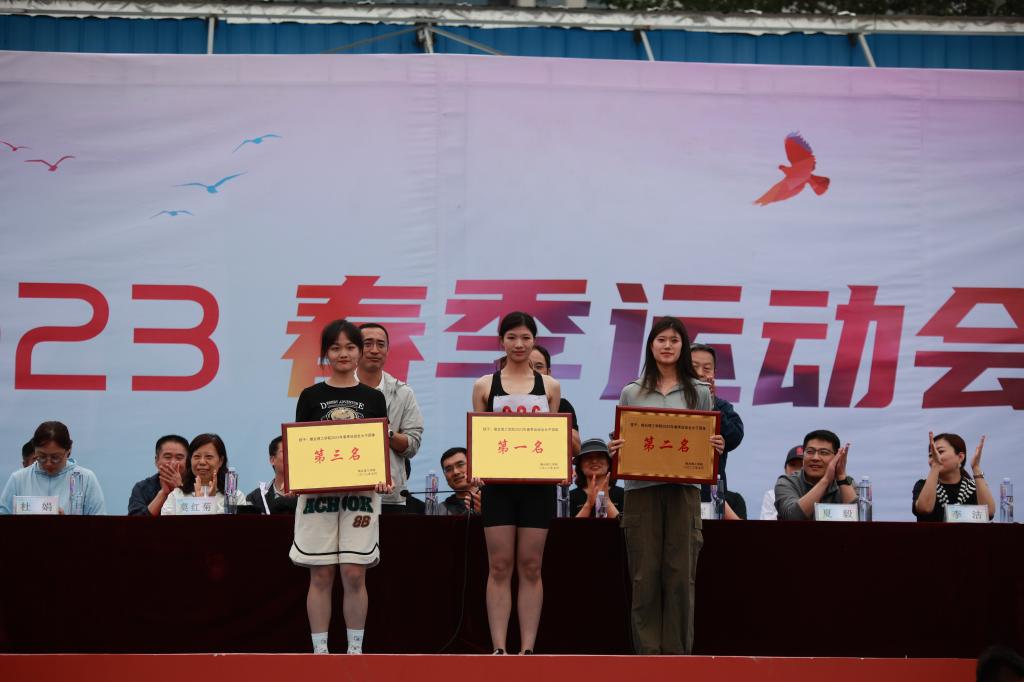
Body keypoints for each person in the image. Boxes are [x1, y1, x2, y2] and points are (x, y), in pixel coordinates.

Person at [612, 316, 723, 655]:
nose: (667, 346)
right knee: (644, 575)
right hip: (640, 491)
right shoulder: (632, 391)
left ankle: (677, 658)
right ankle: (647, 657)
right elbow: (625, 434)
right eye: (661, 339)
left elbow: (706, 436)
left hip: (684, 491)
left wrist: (715, 445)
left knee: (679, 576)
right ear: (650, 346)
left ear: (683, 347)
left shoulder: (699, 391)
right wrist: (617, 447)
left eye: (674, 340)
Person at [292, 319, 392, 655]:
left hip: (360, 497)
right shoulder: (310, 396)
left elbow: (378, 446)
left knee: (353, 574)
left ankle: (354, 651)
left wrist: (381, 475)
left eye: (350, 347)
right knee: (320, 575)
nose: (343, 354)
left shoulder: (373, 397)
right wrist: (296, 477)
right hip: (317, 496)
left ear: (360, 352)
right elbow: (301, 447)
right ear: (325, 354)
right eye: (335, 348)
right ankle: (320, 653)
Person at [471, 311, 561, 655]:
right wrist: (478, 468)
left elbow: (553, 438)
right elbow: (479, 437)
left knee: (531, 565)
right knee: (499, 565)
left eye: (525, 337)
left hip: (537, 487)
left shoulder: (550, 387)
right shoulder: (484, 385)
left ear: (534, 340)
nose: (519, 344)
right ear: (501, 341)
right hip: (498, 487)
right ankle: (499, 648)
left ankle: (527, 649)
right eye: (512, 337)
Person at [357, 323, 425, 515]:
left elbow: (412, 444)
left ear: (387, 350)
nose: (374, 350)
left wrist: (384, 432)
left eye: (381, 344)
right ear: (355, 349)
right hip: (344, 493)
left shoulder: (403, 393)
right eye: (367, 344)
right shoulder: (337, 391)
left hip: (388, 495)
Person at [1, 421, 105, 515]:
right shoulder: (18, 479)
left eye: (55, 457)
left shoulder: (85, 479)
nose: (48, 463)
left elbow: (99, 525)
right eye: (41, 456)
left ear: (68, 450)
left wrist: (68, 525)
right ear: (35, 450)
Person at [689, 342, 744, 496]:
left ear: (714, 373)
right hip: (675, 490)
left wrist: (711, 403)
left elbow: (735, 437)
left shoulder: (722, 406)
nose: (700, 373)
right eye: (693, 367)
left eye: (707, 368)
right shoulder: (669, 403)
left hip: (709, 494)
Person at [774, 429, 857, 520]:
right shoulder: (787, 482)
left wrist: (841, 476)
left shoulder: (846, 483)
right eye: (810, 452)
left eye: (824, 452)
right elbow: (793, 517)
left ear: (837, 457)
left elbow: (860, 517)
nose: (815, 458)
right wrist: (826, 480)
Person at [913, 432, 995, 522]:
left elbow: (989, 513)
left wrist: (976, 468)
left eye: (940, 452)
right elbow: (925, 509)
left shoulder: (973, 487)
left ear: (960, 457)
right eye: (931, 455)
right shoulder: (923, 485)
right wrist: (935, 465)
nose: (935, 457)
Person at [160, 433, 247, 515]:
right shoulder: (176, 496)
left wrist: (209, 502)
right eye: (197, 456)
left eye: (209, 457)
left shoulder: (235, 497)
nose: (202, 462)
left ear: (221, 461)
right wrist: (200, 504)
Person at [529, 344, 582, 455]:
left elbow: (576, 449)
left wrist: (552, 422)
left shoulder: (562, 405)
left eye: (539, 367)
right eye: (527, 366)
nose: (533, 372)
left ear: (548, 372)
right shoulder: (505, 401)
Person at [127, 435, 189, 516]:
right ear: (157, 461)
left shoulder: (196, 485)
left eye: (179, 458)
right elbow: (134, 521)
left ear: (188, 461)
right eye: (168, 457)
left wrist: (179, 489)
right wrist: (163, 493)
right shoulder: (142, 488)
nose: (173, 462)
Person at [570, 438, 623, 519]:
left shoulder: (623, 495)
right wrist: (588, 504)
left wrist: (604, 501)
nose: (594, 461)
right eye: (588, 457)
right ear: (580, 466)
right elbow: (567, 527)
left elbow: (626, 526)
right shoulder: (570, 497)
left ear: (609, 463)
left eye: (600, 456)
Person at [246, 436, 297, 514]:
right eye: (286, 451)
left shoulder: (306, 495)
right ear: (272, 460)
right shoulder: (256, 498)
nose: (291, 456)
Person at [759, 446, 804, 520]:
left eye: (802, 466)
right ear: (785, 469)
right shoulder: (772, 495)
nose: (797, 470)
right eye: (793, 465)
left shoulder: (819, 493)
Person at [437, 446, 481, 516]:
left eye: (460, 465)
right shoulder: (439, 511)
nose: (455, 472)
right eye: (449, 469)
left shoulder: (493, 498)